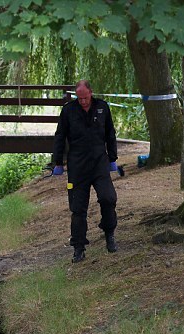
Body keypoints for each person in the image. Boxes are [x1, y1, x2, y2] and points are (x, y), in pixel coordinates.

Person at [52, 79, 119, 263]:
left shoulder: (102, 108)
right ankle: (78, 248)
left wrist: (113, 158)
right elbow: (60, 136)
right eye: (79, 98)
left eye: (85, 97)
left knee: (108, 198)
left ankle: (109, 232)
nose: (83, 101)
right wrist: (58, 162)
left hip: (99, 164)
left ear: (91, 92)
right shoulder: (68, 111)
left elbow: (110, 133)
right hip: (78, 167)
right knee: (78, 209)